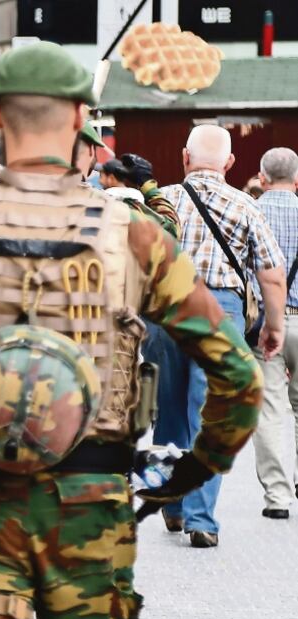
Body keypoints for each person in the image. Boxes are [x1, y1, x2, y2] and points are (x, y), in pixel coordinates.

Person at [0, 41, 262, 619]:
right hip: (92, 500)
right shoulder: (136, 234)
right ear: (81, 121)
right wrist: (191, 470)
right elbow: (236, 371)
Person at [146, 124, 285, 547]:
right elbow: (271, 275)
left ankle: (171, 503)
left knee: (168, 410)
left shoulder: (162, 202)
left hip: (165, 312)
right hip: (218, 313)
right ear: (229, 163)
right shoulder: (245, 205)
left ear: (185, 158)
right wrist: (274, 325)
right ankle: (200, 518)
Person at [251, 147, 298, 519]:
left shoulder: (251, 211)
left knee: (269, 408)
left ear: (261, 178)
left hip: (267, 322)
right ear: (297, 180)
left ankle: (277, 498)